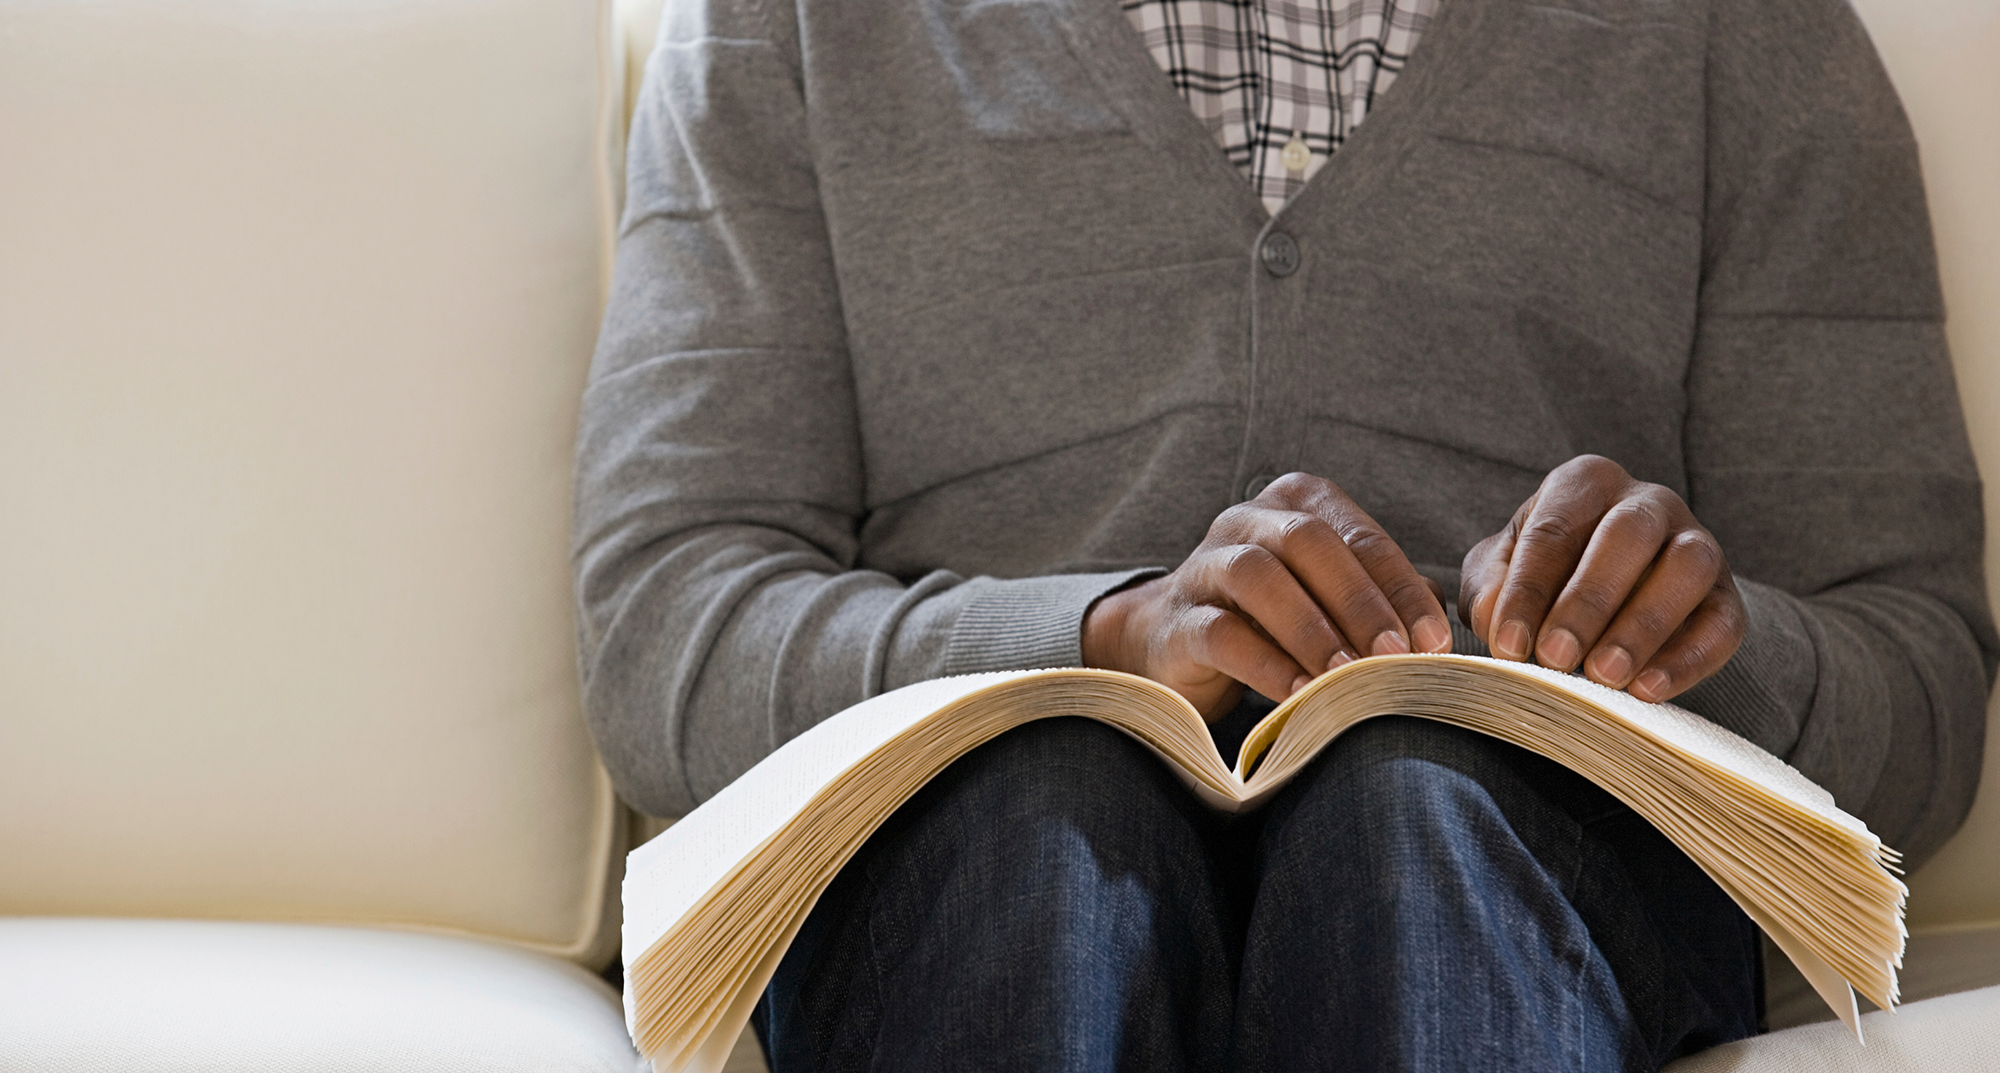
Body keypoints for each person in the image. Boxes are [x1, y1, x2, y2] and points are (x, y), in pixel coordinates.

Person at [572, 0, 1997, 1067]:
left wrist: (1677, 646)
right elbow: (664, 634)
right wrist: (1090, 642)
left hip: (1526, 849)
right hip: (982, 864)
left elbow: (1921, 693)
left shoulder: (1742, 32)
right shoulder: (786, 29)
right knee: (1039, 808)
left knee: (1418, 797)